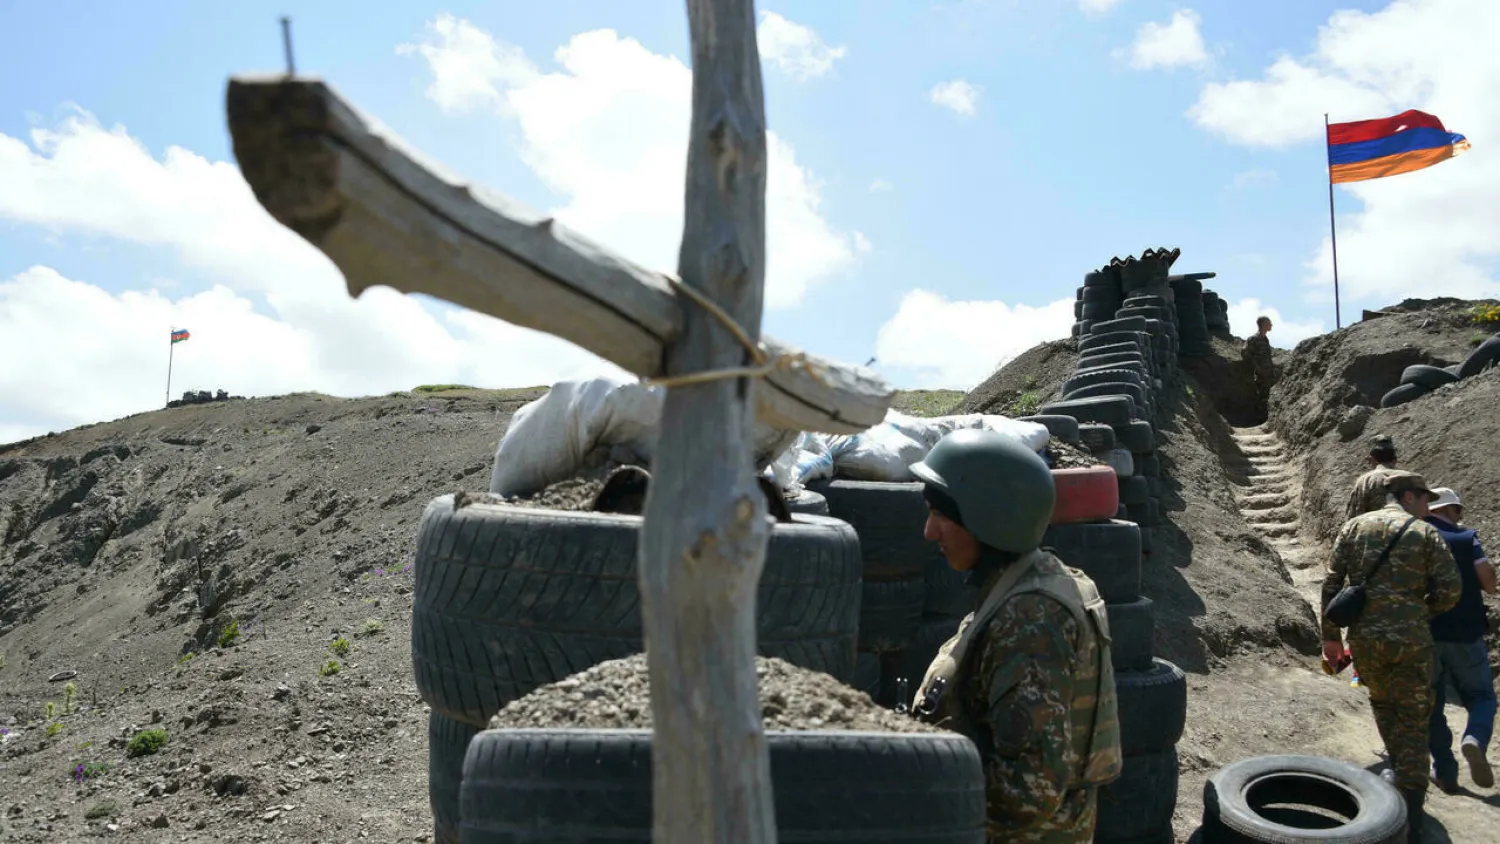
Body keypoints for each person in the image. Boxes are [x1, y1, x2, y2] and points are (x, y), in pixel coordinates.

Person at [906, 428, 1121, 843]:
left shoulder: (1031, 619)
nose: (929, 532)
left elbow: (1026, 794)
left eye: (941, 515)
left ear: (989, 519)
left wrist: (916, 803)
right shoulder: (1027, 584)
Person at [1321, 471, 1460, 842]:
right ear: (1409, 497)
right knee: (1414, 721)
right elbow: (1451, 589)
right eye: (1426, 499)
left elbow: (1332, 585)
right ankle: (1411, 815)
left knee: (1384, 706)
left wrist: (1331, 639)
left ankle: (1397, 775)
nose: (1429, 507)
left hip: (1365, 642)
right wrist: (1419, 611)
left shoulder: (1353, 528)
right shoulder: (1424, 532)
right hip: (1412, 641)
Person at [1423, 486, 1497, 793]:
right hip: (1466, 632)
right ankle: (1474, 738)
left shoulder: (1414, 539)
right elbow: (1490, 584)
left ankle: (1445, 773)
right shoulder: (1467, 539)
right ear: (1450, 510)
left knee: (1433, 704)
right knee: (1482, 697)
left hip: (1426, 633)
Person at [1345, 434, 1402, 521]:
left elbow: (1354, 518)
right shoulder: (1415, 478)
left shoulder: (1365, 481)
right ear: (1395, 460)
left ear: (1372, 459)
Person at [1242, 315, 1276, 415]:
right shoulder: (1254, 339)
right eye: (1269, 323)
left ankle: (1264, 418)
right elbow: (1245, 353)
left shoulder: (1265, 339)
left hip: (1268, 374)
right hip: (1260, 375)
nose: (1271, 325)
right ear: (1264, 324)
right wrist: (1257, 368)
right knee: (1261, 397)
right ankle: (1259, 419)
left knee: (1266, 397)